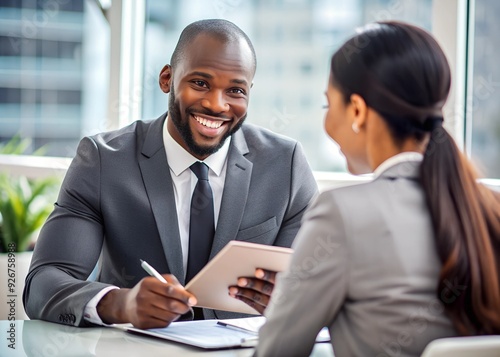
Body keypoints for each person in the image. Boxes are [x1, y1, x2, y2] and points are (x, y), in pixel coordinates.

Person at [23, 19, 318, 329]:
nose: (216, 105)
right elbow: (43, 283)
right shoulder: (103, 161)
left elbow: (315, 288)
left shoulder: (286, 165)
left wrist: (290, 299)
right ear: (167, 79)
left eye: (235, 90)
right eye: (200, 83)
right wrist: (121, 304)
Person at [256, 21, 500, 357]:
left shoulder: (341, 213)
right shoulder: (487, 205)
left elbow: (277, 351)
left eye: (329, 105)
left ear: (357, 110)